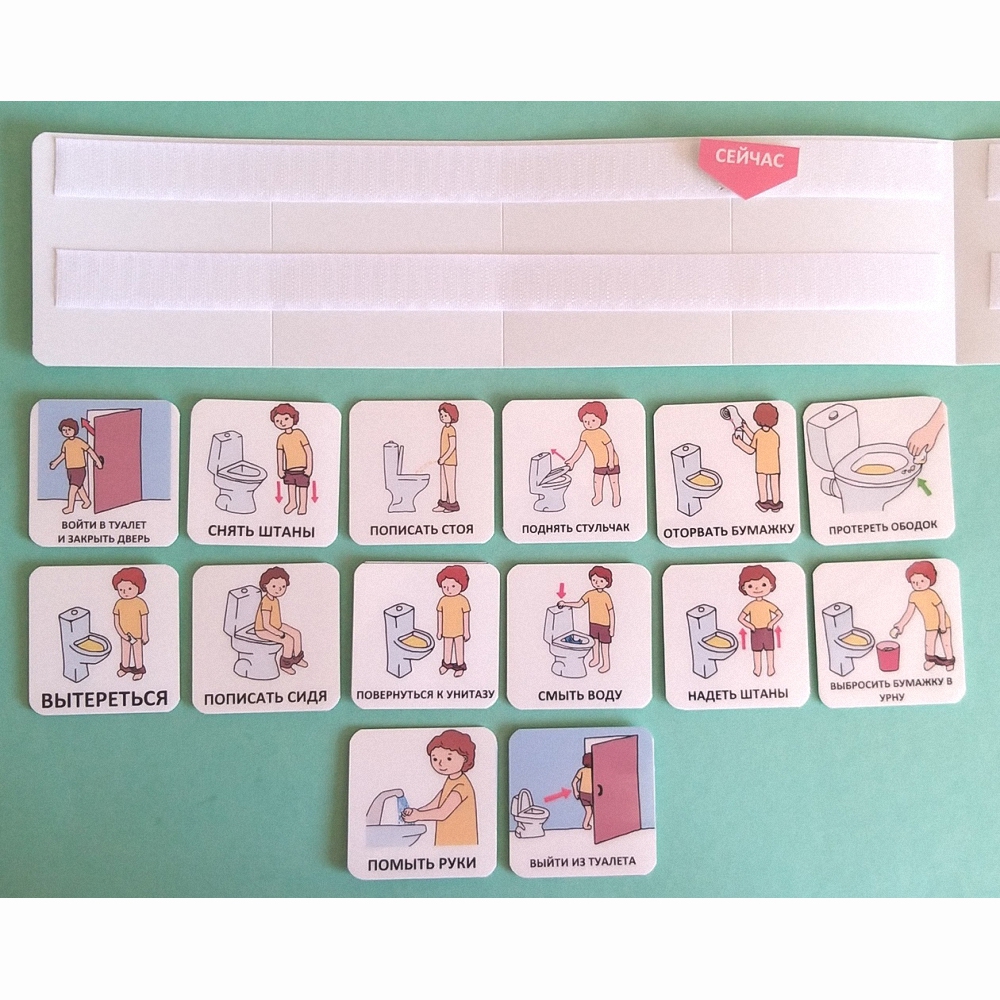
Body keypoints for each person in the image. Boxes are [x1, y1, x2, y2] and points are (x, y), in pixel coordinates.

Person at [401, 730, 478, 846]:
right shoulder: (451, 781)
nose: (440, 764)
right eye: (435, 759)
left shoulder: (461, 786)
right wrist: (416, 811)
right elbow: (437, 803)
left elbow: (442, 813)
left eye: (449, 759)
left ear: (465, 759)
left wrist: (418, 815)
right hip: (447, 840)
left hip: (460, 841)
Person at [890, 560, 955, 670]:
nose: (918, 585)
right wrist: (900, 625)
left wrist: (942, 624)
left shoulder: (931, 594)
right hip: (930, 624)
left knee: (946, 643)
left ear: (930, 579)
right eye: (914, 582)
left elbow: (940, 608)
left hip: (943, 621)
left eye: (921, 581)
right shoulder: (913, 596)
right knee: (929, 644)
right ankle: (931, 661)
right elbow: (909, 612)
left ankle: (949, 661)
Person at [558, 566, 615, 673]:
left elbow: (611, 612)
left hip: (604, 625)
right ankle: (596, 659)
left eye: (601, 581)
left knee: (605, 645)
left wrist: (612, 628)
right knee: (594, 642)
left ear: (607, 582)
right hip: (593, 623)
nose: (597, 583)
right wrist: (565, 603)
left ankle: (606, 664)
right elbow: (579, 604)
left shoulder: (606, 596)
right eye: (594, 580)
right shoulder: (590, 594)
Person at [565, 401, 621, 507]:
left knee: (613, 481)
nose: (589, 424)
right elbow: (580, 449)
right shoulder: (585, 434)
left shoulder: (602, 433)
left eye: (593, 420)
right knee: (597, 480)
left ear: (601, 419)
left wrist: (610, 461)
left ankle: (616, 496)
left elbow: (610, 447)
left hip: (612, 460)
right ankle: (598, 496)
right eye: (586, 421)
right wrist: (572, 461)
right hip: (599, 462)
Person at [254, 566, 308, 675]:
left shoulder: (274, 599)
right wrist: (280, 634)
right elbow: (266, 624)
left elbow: (275, 621)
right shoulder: (266, 602)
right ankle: (285, 664)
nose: (278, 589)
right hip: (263, 630)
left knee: (296, 634)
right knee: (288, 640)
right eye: (274, 586)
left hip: (276, 625)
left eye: (282, 587)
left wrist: (279, 629)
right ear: (265, 585)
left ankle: (297, 658)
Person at [730, 402, 782, 512]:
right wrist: (746, 429)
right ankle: (776, 504)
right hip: (774, 465)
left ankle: (763, 503)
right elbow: (757, 440)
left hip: (762, 465)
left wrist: (739, 443)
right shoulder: (775, 435)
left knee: (762, 485)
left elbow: (751, 450)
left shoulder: (759, 434)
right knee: (774, 485)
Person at [49, 417, 103, 515]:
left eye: (69, 429)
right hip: (70, 469)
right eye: (64, 430)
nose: (66, 432)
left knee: (73, 489)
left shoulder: (79, 442)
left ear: (75, 430)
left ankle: (70, 507)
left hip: (79, 470)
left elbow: (90, 451)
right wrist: (55, 463)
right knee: (79, 487)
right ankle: (87, 501)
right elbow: (63, 455)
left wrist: (98, 461)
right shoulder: (66, 443)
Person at [737, 565, 783, 678]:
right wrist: (750, 626)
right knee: (756, 651)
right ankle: (757, 668)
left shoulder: (767, 604)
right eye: (750, 586)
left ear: (771, 585)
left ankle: (771, 667)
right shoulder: (751, 605)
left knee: (769, 649)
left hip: (767, 630)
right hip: (756, 631)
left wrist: (771, 623)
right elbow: (741, 618)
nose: (757, 589)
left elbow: (779, 614)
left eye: (763, 585)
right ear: (744, 588)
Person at [271, 404, 313, 516]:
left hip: (302, 468)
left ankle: (303, 505)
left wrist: (309, 468)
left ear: (293, 418)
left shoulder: (299, 433)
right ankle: (292, 503)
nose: (282, 422)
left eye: (286, 418)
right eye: (278, 420)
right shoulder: (281, 438)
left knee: (303, 487)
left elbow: (308, 451)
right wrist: (280, 469)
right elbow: (280, 454)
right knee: (291, 486)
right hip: (289, 469)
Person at [112, 567, 149, 680]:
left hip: (137, 635)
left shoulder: (140, 603)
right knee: (125, 652)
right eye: (121, 589)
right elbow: (116, 622)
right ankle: (124, 668)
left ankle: (139, 669)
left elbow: (144, 620)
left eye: (129, 588)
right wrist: (122, 634)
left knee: (137, 653)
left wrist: (145, 634)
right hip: (124, 634)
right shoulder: (119, 604)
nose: (125, 592)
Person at [436, 565, 472, 678]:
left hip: (459, 631)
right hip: (446, 630)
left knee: (459, 649)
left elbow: (466, 616)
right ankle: (446, 664)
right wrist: (439, 631)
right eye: (445, 587)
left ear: (461, 585)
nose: (449, 590)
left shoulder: (462, 600)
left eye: (453, 586)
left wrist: (466, 631)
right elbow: (440, 615)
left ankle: (460, 666)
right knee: (447, 648)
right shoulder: (443, 600)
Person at [433, 402, 460, 513]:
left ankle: (452, 504)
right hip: (443, 460)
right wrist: (442, 459)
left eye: (445, 415)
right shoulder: (444, 428)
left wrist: (444, 458)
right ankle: (443, 503)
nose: (442, 417)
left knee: (450, 483)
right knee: (443, 483)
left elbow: (452, 446)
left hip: (450, 461)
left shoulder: (451, 430)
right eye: (441, 415)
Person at [572, 752, 594, 831]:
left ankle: (585, 825)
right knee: (594, 811)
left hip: (583, 794)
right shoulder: (595, 770)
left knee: (589, 811)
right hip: (592, 794)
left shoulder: (581, 770)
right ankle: (587, 825)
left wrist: (576, 792)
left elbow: (574, 782)